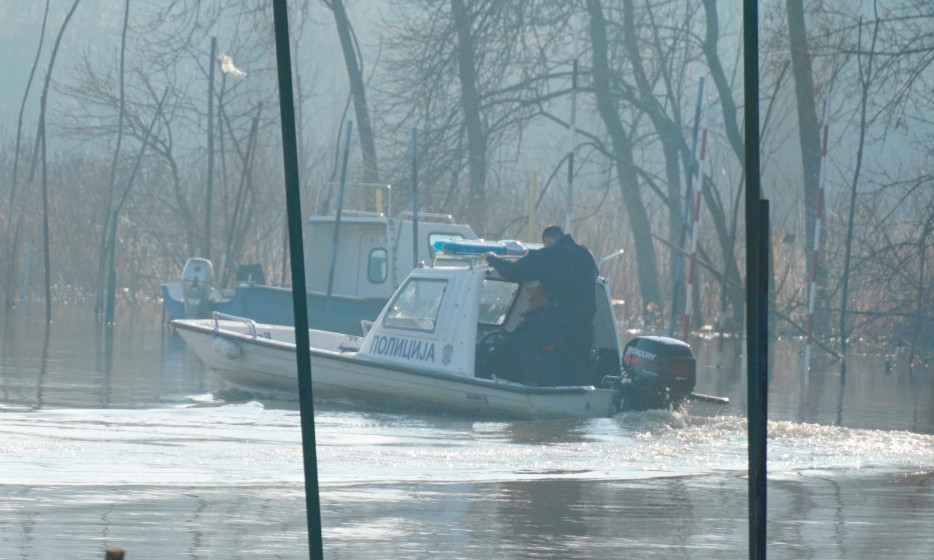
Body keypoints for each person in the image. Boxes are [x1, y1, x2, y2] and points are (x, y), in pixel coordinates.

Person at [483, 225, 598, 386]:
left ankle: (531, 384)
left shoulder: (551, 254)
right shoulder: (586, 255)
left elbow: (514, 271)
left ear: (547, 241)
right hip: (585, 327)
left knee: (524, 338)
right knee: (577, 370)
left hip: (561, 322)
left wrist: (491, 257)